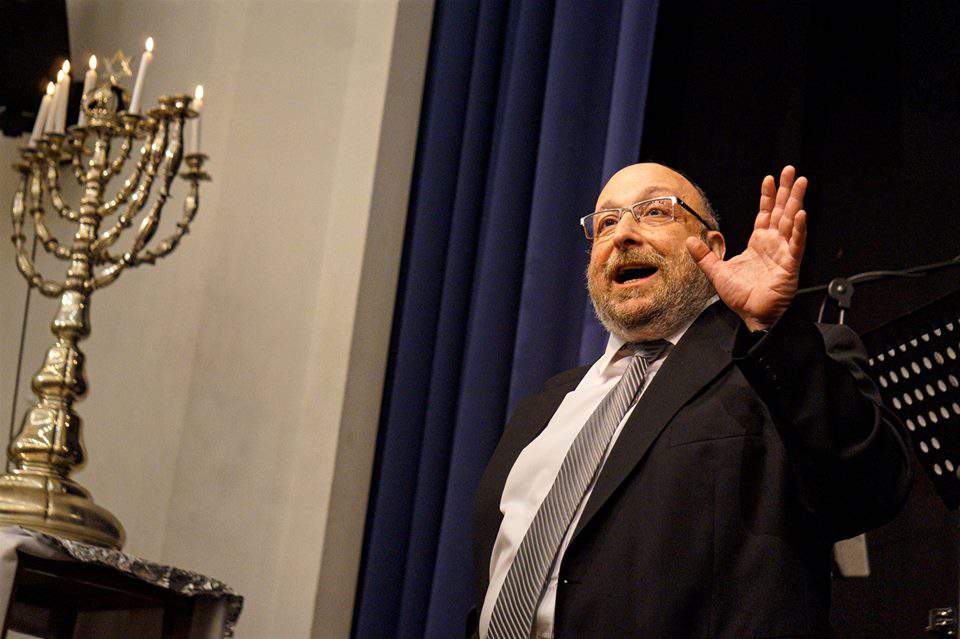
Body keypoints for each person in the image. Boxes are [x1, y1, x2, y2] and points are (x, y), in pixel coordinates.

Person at [470, 164, 913, 638]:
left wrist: (770, 331)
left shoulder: (778, 363)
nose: (623, 234)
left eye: (655, 212)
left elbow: (870, 491)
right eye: (606, 222)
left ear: (713, 248)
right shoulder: (545, 406)